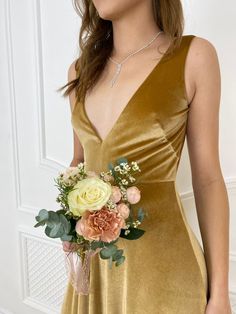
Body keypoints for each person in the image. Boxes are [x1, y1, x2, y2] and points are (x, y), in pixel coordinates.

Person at [59, 0, 232, 313]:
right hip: (95, 274)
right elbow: (80, 163)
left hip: (164, 274)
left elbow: (207, 179)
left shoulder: (193, 57)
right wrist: (71, 223)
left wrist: (220, 292)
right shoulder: (80, 70)